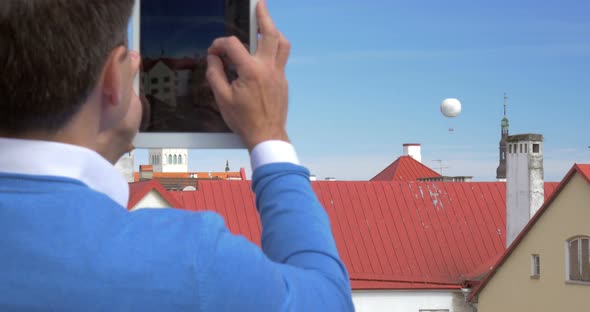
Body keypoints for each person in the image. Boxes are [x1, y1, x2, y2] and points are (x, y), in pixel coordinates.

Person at [0, 0, 354, 311]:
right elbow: (330, 300)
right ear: (113, 77)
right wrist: (270, 135)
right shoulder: (190, 260)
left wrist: (98, 133)